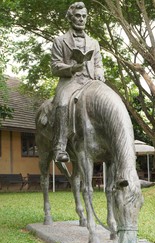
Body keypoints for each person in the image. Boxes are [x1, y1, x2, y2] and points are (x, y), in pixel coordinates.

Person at [51, 2, 105, 162]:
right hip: (70, 82)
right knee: (61, 103)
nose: (81, 19)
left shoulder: (94, 43)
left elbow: (98, 64)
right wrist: (71, 68)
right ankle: (59, 147)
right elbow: (54, 67)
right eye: (77, 16)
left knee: (110, 101)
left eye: (84, 16)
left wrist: (99, 72)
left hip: (90, 82)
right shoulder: (59, 41)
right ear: (70, 18)